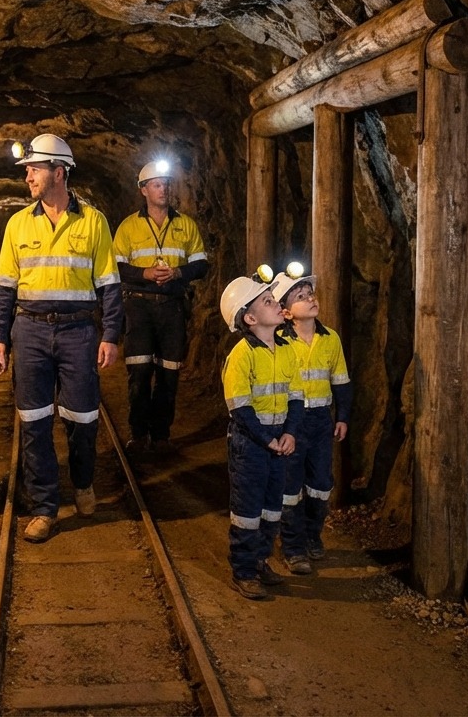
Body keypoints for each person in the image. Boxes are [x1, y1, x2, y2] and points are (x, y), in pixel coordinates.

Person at [0, 134, 123, 543]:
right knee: (33, 421)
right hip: (28, 329)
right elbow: (3, 288)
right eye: (27, 169)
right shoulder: (17, 223)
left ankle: (82, 482)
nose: (27, 175)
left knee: (83, 418)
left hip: (79, 330)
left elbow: (110, 284)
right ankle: (44, 506)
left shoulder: (94, 221)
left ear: (58, 172)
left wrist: (111, 333)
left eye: (34, 168)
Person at [111, 160, 209, 453]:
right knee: (139, 374)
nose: (164, 188)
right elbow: (115, 267)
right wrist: (145, 274)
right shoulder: (128, 226)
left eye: (166, 183)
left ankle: (161, 435)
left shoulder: (185, 224)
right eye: (157, 184)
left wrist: (178, 272)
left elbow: (201, 264)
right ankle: (139, 434)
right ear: (144, 190)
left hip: (172, 307)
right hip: (138, 308)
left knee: (169, 374)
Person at [218, 269, 303, 599]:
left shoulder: (286, 349)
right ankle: (243, 570)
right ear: (250, 318)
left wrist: (290, 434)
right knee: (247, 511)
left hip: (278, 442)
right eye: (268, 301)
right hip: (249, 445)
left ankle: (259, 559)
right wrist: (267, 439)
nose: (276, 303)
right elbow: (240, 409)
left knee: (272, 508)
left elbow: (296, 397)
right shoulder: (242, 355)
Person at [272, 268, 351, 574]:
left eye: (311, 294)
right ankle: (292, 548)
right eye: (301, 296)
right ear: (287, 311)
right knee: (290, 486)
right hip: (290, 422)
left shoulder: (330, 339)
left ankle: (312, 536)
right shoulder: (277, 340)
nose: (310, 299)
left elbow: (341, 381)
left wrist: (342, 416)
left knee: (320, 484)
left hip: (320, 420)